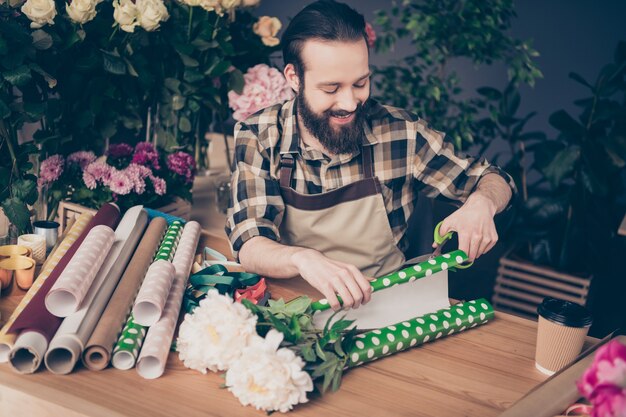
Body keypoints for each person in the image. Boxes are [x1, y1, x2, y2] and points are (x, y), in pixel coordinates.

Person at [225, 0, 514, 312]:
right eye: (331, 88)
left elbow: (493, 179)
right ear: (294, 78)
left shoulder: (402, 134)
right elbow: (250, 242)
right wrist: (303, 258)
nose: (350, 103)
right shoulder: (260, 135)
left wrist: (482, 202)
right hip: (294, 309)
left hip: (386, 305)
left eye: (360, 83)